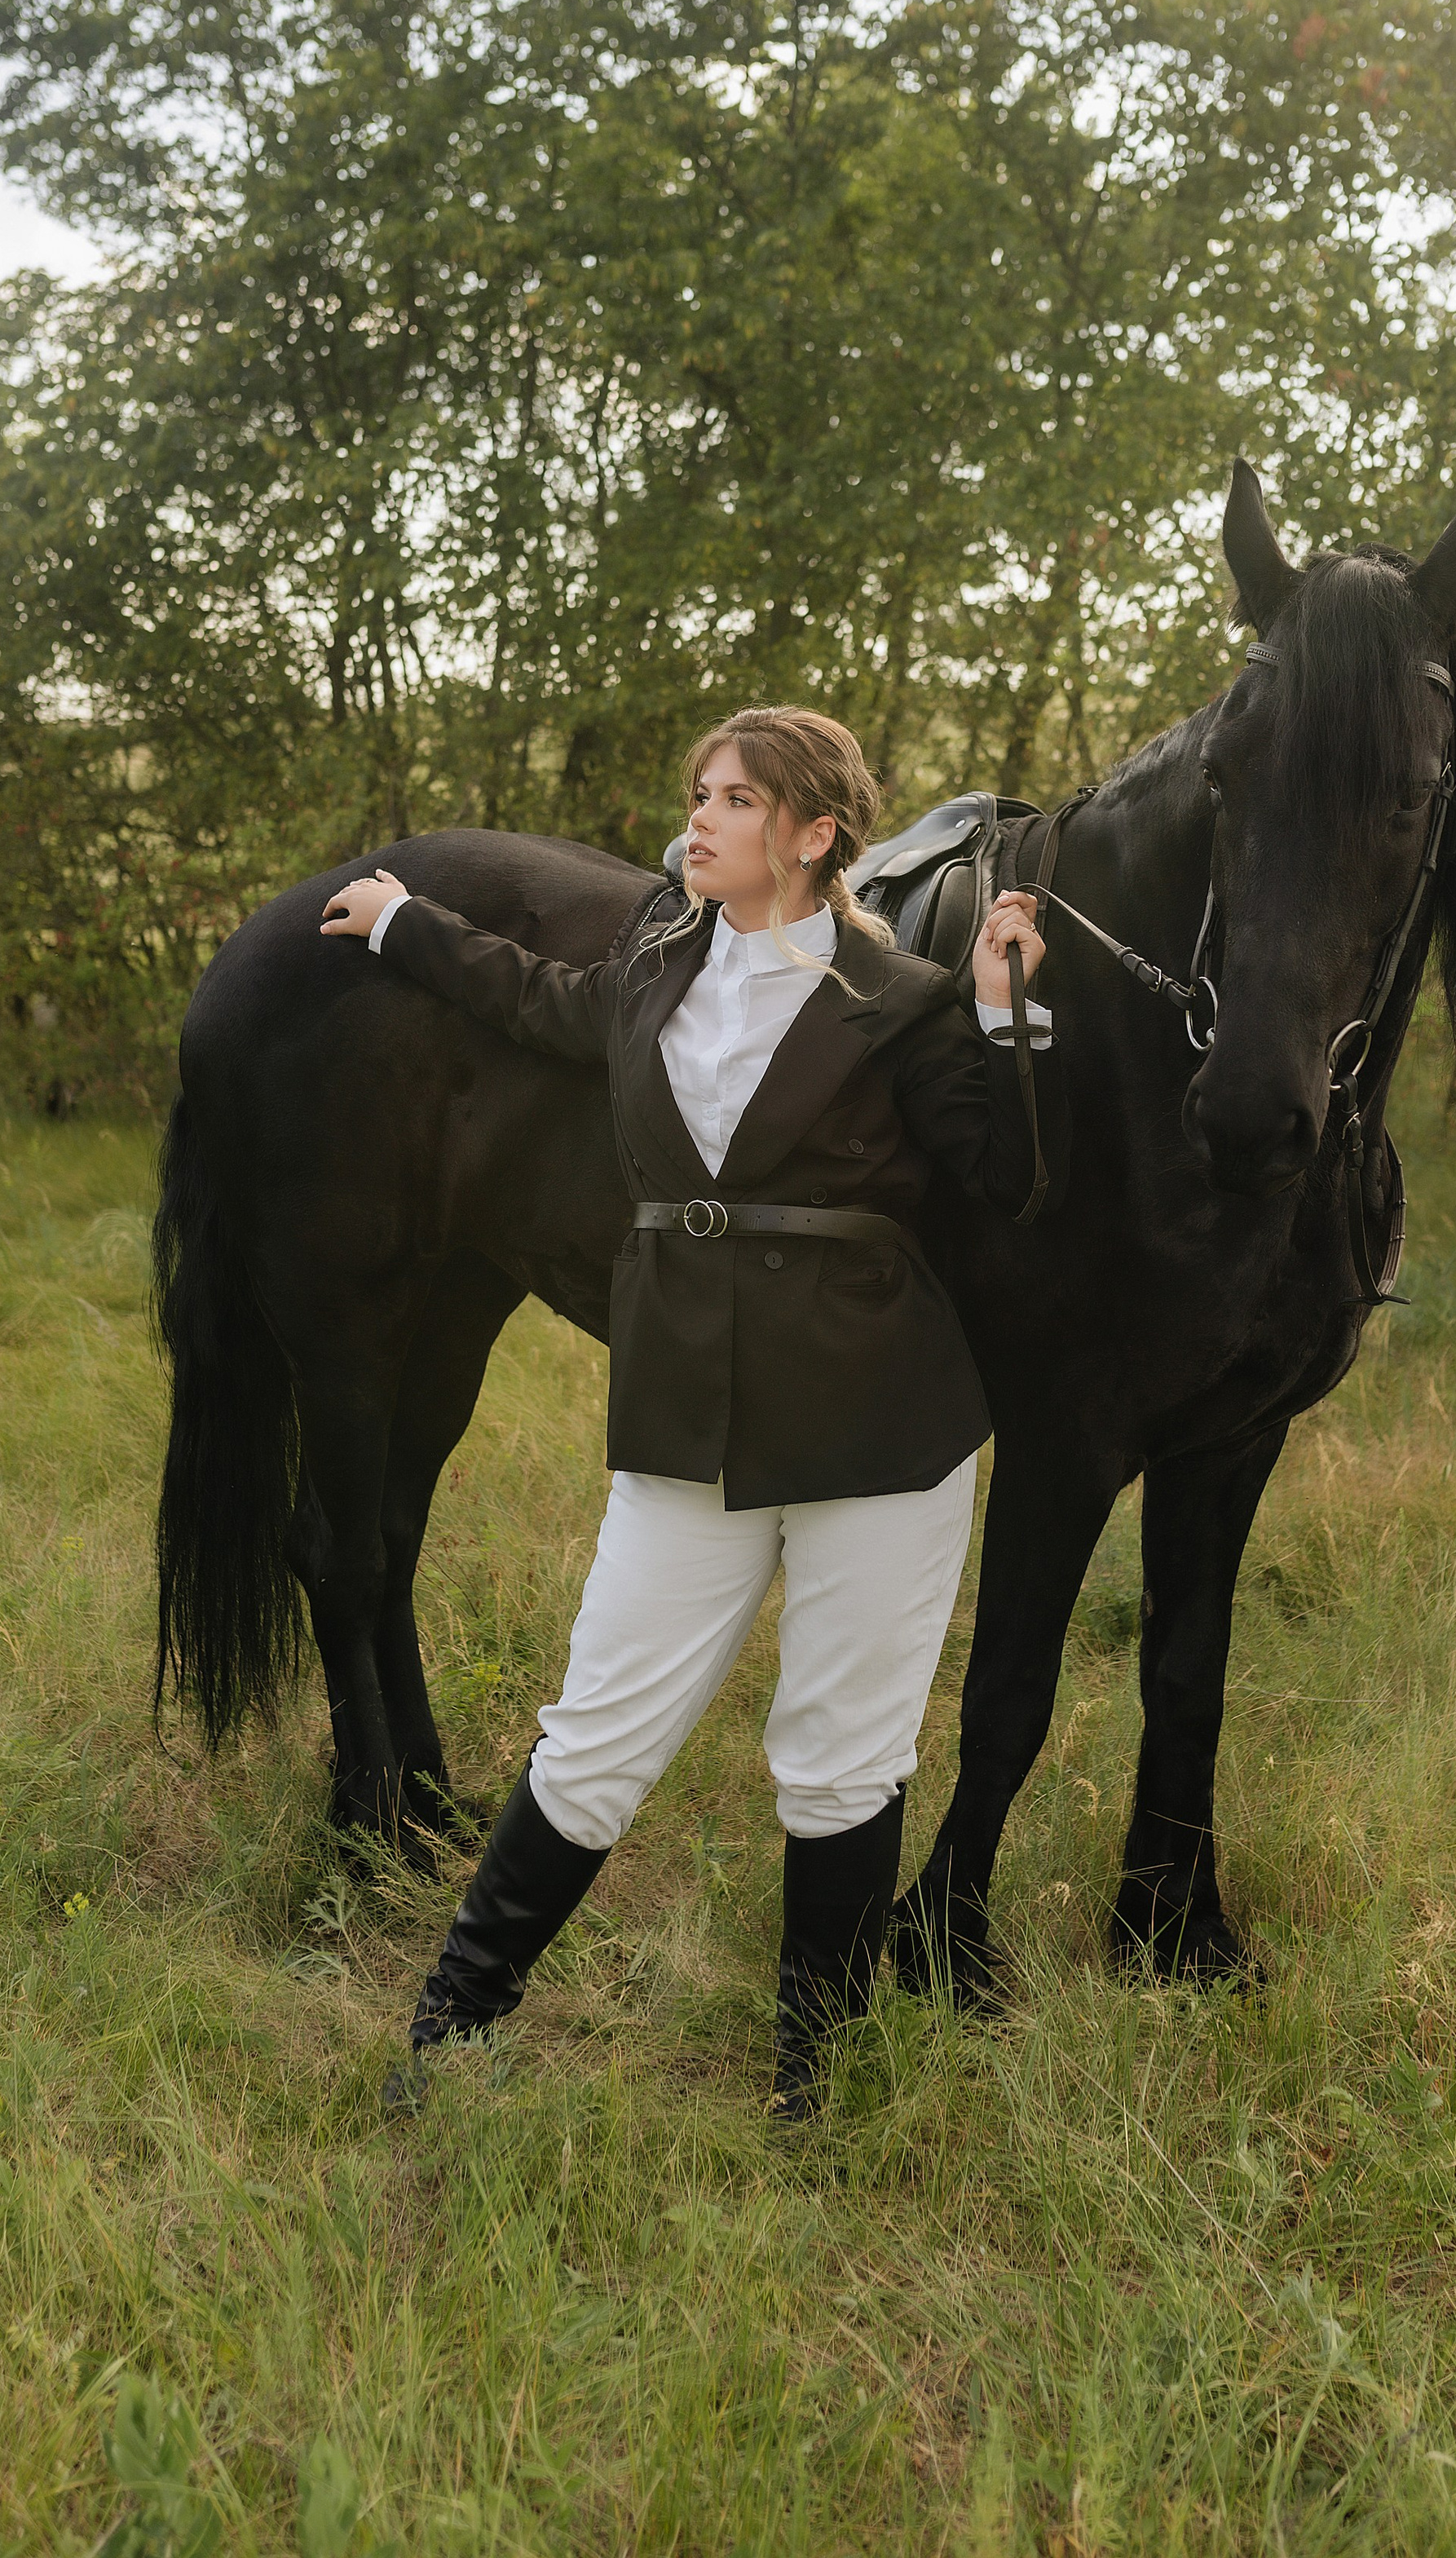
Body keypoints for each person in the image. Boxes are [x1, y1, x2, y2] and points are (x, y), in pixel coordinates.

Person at [320, 705, 1062, 2120]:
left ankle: (812, 2077)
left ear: (811, 831)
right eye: (700, 792)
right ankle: (449, 2029)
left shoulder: (896, 998)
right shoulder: (653, 967)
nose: (701, 816)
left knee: (841, 1753)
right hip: (688, 1414)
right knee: (598, 1726)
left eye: (734, 797)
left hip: (879, 1432)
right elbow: (526, 993)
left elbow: (1011, 1175)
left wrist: (1007, 1004)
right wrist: (406, 921)